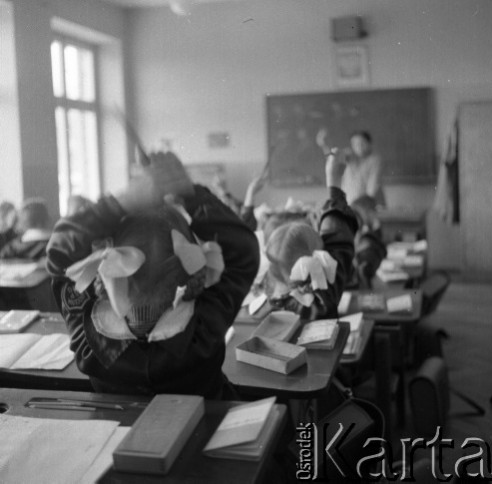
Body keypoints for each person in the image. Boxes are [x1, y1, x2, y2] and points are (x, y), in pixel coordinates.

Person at [46, 151, 259, 398]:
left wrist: (121, 202)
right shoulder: (202, 328)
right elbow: (245, 251)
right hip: (207, 427)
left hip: (118, 432)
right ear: (188, 264)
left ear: (110, 258)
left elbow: (59, 252)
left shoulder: (88, 337)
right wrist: (191, 194)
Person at [259, 150, 358, 319]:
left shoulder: (266, 302)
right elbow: (338, 242)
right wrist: (333, 184)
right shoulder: (322, 300)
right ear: (318, 256)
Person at [317, 129, 385, 206]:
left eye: (361, 143)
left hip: (370, 205)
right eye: (355, 144)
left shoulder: (375, 160)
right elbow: (332, 157)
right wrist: (325, 146)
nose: (358, 147)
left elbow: (373, 186)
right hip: (350, 205)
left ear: (369, 144)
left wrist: (368, 203)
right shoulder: (349, 155)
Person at [349, 194, 387, 289]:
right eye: (374, 212)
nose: (376, 215)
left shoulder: (358, 222)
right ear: (369, 211)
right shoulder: (354, 220)